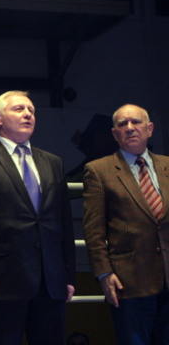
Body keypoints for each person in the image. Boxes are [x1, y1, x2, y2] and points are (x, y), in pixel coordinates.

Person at [0, 90, 75, 344]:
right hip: (2, 281)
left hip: (50, 281)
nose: (28, 114)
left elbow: (64, 222)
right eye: (19, 109)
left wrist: (68, 275)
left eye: (31, 110)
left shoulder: (53, 162)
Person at [83, 104, 169, 344]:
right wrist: (104, 273)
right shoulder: (99, 170)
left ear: (150, 129)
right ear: (114, 133)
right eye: (122, 124)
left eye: (136, 122)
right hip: (128, 282)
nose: (130, 128)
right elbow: (93, 231)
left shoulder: (167, 165)